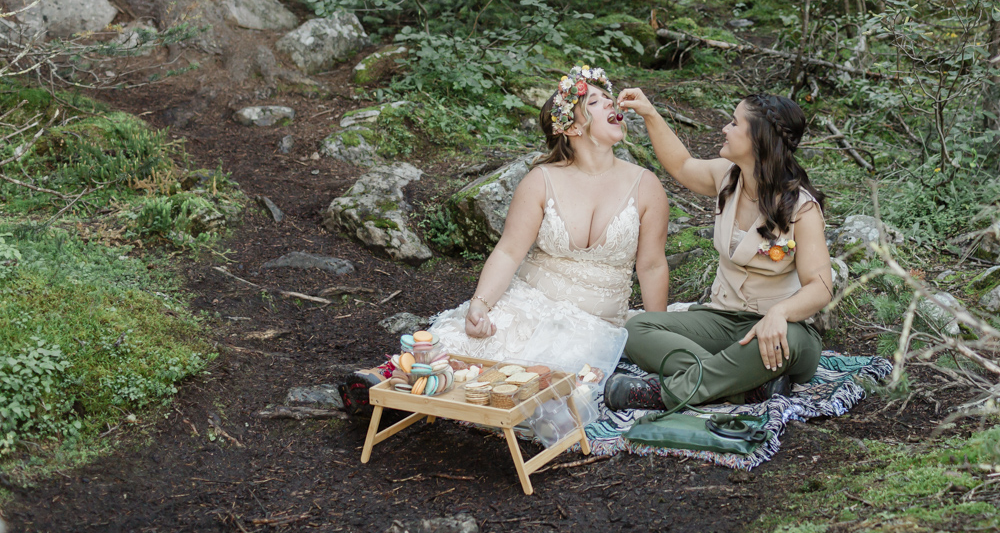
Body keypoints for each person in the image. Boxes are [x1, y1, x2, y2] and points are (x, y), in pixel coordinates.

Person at [339, 66, 670, 415]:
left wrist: (659, 336)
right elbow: (509, 252)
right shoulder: (541, 180)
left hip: (596, 322)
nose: (611, 104)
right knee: (466, 341)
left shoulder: (645, 185)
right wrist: (480, 304)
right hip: (531, 300)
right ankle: (381, 385)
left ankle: (415, 398)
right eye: (596, 100)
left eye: (609, 98)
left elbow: (651, 266)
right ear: (572, 127)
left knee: (548, 374)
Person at [603, 90, 833, 411]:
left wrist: (779, 314)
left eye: (734, 123)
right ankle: (744, 385)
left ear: (758, 140)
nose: (724, 128)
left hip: (781, 335)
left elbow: (820, 288)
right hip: (722, 322)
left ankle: (664, 394)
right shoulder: (727, 177)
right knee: (637, 329)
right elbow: (682, 164)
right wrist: (650, 114)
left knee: (790, 341)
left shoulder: (801, 208)